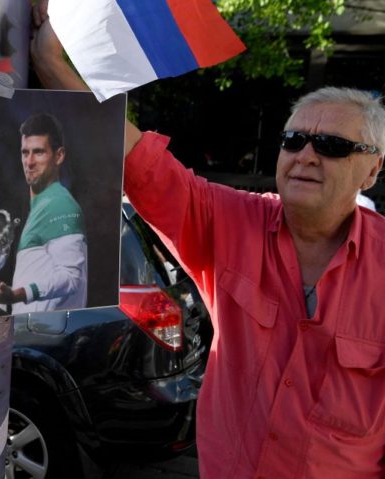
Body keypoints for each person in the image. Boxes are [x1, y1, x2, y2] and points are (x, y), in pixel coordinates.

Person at [30, 2, 385, 477]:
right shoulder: (232, 222)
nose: (306, 155)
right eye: (293, 140)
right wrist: (54, 61)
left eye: (333, 146)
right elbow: (141, 166)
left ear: (373, 170)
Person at [0, 112, 88, 313]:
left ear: (59, 155)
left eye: (38, 152)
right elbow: (30, 282)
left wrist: (18, 294)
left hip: (46, 335)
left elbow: (71, 278)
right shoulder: (35, 205)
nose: (29, 163)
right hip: (28, 331)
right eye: (24, 152)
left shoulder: (60, 204)